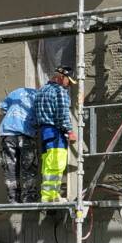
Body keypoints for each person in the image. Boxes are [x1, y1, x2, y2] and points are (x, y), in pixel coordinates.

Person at [33, 67, 76, 202]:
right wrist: (70, 131)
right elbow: (62, 115)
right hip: (55, 132)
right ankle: (51, 197)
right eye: (68, 81)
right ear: (60, 77)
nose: (68, 85)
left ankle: (47, 195)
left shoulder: (41, 91)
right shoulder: (60, 92)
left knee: (48, 166)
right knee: (56, 165)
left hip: (44, 132)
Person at [0, 86, 39, 203]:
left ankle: (13, 199)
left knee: (10, 167)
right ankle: (29, 199)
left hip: (7, 132)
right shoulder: (39, 96)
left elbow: (3, 107)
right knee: (29, 167)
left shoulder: (16, 92)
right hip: (25, 133)